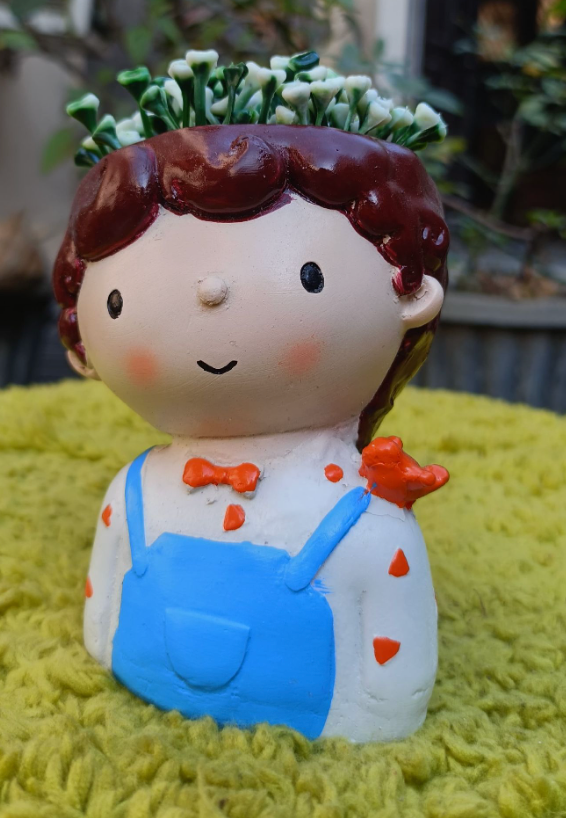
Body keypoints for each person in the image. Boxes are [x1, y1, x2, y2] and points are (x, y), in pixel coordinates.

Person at [53, 124, 449, 741]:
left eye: (309, 276)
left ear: (412, 295)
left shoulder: (365, 518)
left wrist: (384, 715)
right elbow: (102, 603)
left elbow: (393, 654)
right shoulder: (133, 491)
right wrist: (102, 646)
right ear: (84, 342)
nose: (210, 291)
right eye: (119, 300)